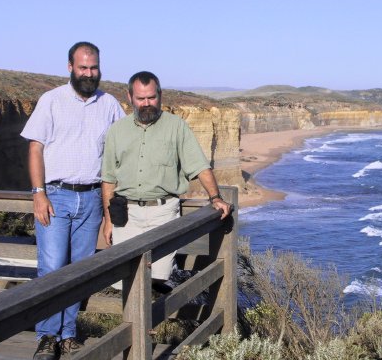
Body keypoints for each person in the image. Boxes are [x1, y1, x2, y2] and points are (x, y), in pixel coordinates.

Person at [21, 42, 125, 360]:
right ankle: (47, 337)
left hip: (92, 197)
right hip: (56, 195)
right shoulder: (51, 101)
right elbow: (35, 148)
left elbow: (121, 151)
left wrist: (110, 213)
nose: (89, 73)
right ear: (70, 67)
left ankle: (68, 335)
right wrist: (38, 194)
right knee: (52, 269)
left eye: (93, 67)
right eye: (83, 67)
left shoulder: (109, 105)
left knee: (79, 272)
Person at [101, 71, 231, 287]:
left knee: (159, 277)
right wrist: (107, 220)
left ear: (160, 95)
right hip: (125, 215)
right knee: (123, 280)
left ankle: (155, 321)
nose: (146, 103)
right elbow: (108, 180)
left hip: (163, 212)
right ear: (130, 97)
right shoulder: (116, 131)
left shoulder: (176, 126)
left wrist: (215, 197)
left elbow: (198, 165)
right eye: (140, 98)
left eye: (151, 97)